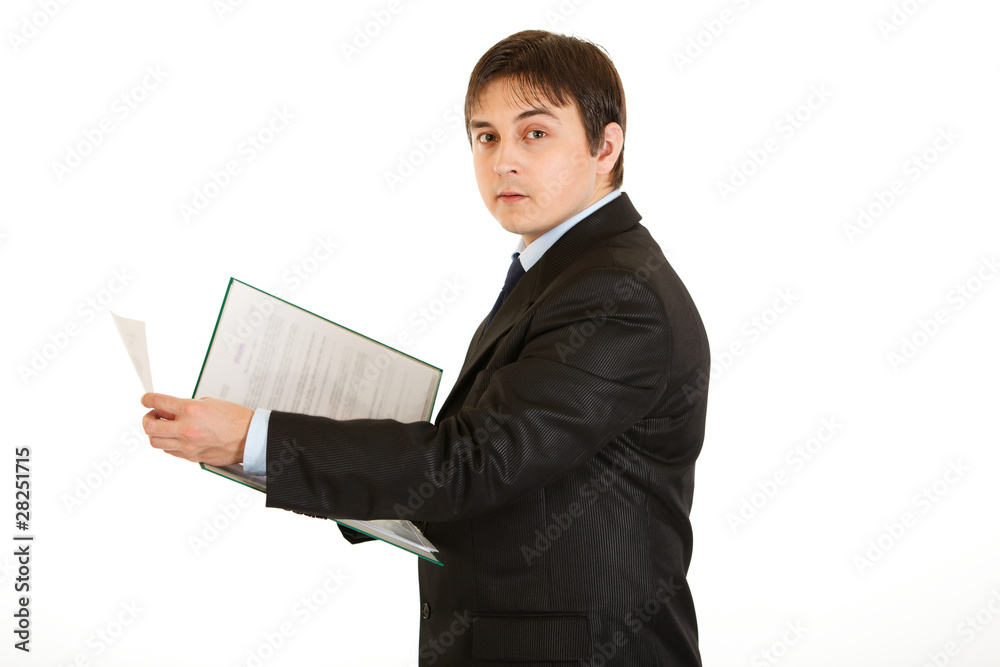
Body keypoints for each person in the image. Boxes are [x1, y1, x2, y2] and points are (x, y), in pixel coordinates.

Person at [142, 29, 710, 666]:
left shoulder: (616, 293)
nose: (503, 161)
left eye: (536, 133)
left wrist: (260, 440)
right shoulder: (563, 271)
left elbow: (472, 465)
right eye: (485, 136)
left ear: (606, 146)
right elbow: (494, 472)